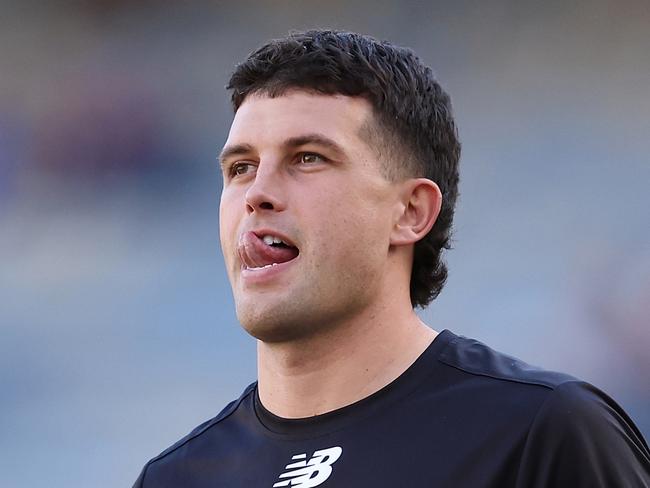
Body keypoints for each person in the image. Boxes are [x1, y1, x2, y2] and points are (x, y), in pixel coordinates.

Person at [133, 30, 650, 487]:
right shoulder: (175, 477)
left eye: (308, 158)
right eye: (241, 167)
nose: (257, 193)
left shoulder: (538, 432)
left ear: (410, 212)